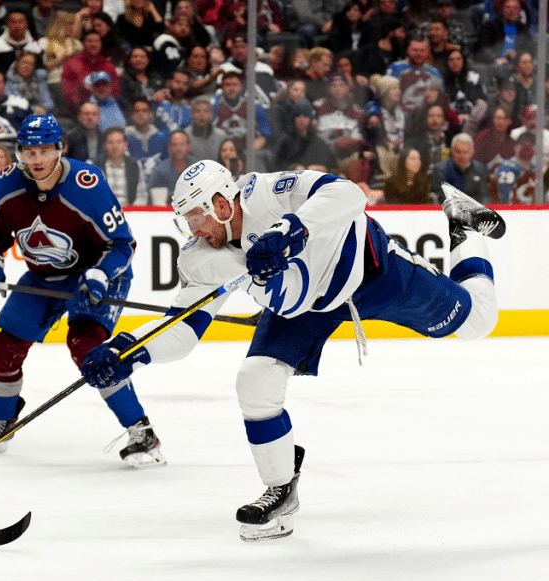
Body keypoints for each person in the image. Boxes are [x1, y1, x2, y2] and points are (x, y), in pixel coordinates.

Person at [79, 160, 506, 541]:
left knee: (477, 323)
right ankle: (280, 491)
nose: (193, 231)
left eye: (195, 217)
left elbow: (347, 193)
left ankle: (465, 227)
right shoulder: (200, 258)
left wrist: (291, 229)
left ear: (221, 205)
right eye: (185, 221)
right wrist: (126, 349)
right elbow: (183, 330)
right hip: (302, 304)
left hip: (369, 274)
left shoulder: (267, 192)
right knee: (255, 379)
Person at [0, 113, 164, 468]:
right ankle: (3, 422)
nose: (36, 160)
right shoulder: (7, 182)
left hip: (97, 273)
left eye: (44, 151)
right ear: (19, 151)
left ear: (60, 149)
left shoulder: (86, 184)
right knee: (4, 348)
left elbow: (121, 245)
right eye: (28, 151)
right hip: (42, 276)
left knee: (87, 349)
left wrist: (99, 276)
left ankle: (141, 430)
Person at [98, 125, 149, 206]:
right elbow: (87, 195)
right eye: (110, 142)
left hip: (129, 212)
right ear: (105, 145)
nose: (115, 146)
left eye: (119, 142)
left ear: (125, 144)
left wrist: (131, 213)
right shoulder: (93, 165)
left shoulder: (135, 165)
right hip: (102, 212)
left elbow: (142, 196)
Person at [432, 132, 489, 203]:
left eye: (465, 152)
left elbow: (484, 196)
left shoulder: (480, 168)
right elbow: (443, 198)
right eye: (458, 152)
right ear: (451, 151)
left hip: (476, 211)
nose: (462, 156)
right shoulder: (441, 170)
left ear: (472, 152)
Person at [145, 129, 193, 206]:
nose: (178, 148)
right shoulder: (159, 171)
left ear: (189, 147)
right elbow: (156, 203)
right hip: (167, 213)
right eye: (174, 144)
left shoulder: (198, 168)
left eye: (182, 144)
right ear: (169, 147)